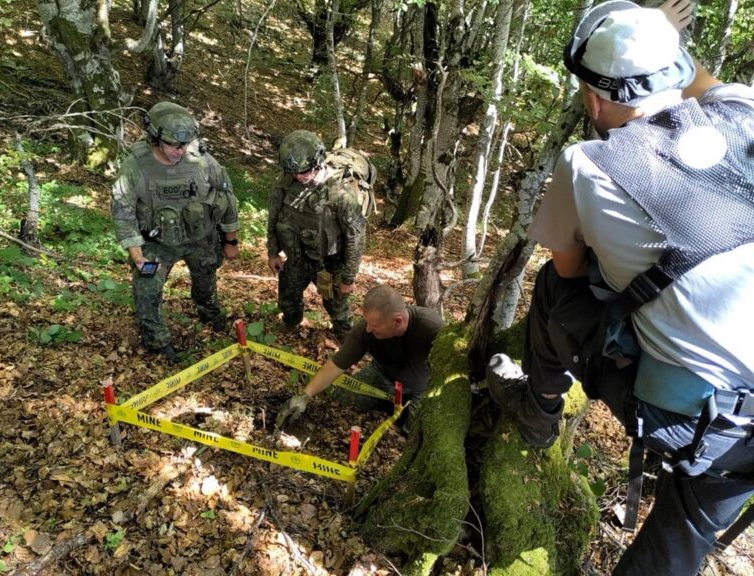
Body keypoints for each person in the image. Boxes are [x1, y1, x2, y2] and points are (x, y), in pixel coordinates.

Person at [486, 1, 754, 574]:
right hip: (740, 436)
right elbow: (707, 84)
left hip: (694, 419)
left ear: (594, 99)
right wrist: (658, 34)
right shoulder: (745, 113)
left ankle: (539, 409)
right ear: (676, 70)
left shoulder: (589, 164)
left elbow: (566, 273)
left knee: (550, 294)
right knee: (679, 542)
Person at [111, 102, 240, 362]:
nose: (180, 151)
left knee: (205, 280)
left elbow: (227, 196)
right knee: (146, 288)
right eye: (174, 145)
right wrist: (137, 255)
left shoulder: (201, 158)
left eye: (185, 145)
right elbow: (122, 210)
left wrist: (231, 239)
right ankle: (157, 341)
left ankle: (210, 314)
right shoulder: (136, 166)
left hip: (200, 237)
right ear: (156, 138)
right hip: (156, 241)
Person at [276, 284, 444, 433]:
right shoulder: (365, 329)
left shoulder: (431, 327)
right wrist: (305, 396)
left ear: (398, 321)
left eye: (375, 326)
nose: (369, 329)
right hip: (381, 376)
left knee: (414, 435)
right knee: (341, 403)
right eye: (367, 323)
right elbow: (337, 364)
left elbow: (455, 367)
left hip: (422, 389)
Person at [266, 130, 369, 341]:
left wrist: (348, 277)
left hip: (329, 264)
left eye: (303, 171)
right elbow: (274, 217)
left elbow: (356, 238)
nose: (299, 176)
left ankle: (346, 338)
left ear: (317, 162)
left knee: (336, 306)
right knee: (288, 297)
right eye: (294, 172)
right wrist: (273, 252)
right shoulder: (286, 183)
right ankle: (291, 323)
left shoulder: (339, 194)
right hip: (297, 257)